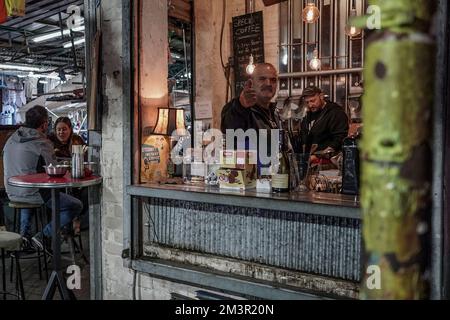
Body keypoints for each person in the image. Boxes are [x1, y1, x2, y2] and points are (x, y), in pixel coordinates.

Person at [2, 105, 83, 249]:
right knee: (76, 205)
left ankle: (24, 240)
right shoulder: (42, 142)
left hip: (11, 193)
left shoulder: (11, 138)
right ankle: (43, 235)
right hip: (32, 194)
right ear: (45, 124)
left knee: (29, 189)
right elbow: (54, 170)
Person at [48, 116, 88, 234]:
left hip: (75, 178)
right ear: (55, 130)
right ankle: (67, 224)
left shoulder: (77, 140)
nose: (61, 132)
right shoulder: (50, 141)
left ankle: (76, 221)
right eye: (59, 129)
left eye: (64, 129)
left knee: (86, 194)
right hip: (56, 180)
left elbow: (84, 157)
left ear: (70, 129)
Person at [221, 63, 279, 133]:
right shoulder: (238, 108)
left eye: (273, 80)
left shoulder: (275, 112)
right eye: (262, 79)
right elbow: (229, 128)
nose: (268, 84)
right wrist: (240, 106)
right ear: (252, 82)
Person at [299, 86, 349, 164]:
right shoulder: (308, 115)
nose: (310, 105)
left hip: (329, 163)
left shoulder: (335, 112)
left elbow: (340, 139)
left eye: (312, 101)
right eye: (307, 102)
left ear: (321, 96)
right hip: (311, 162)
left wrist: (318, 156)